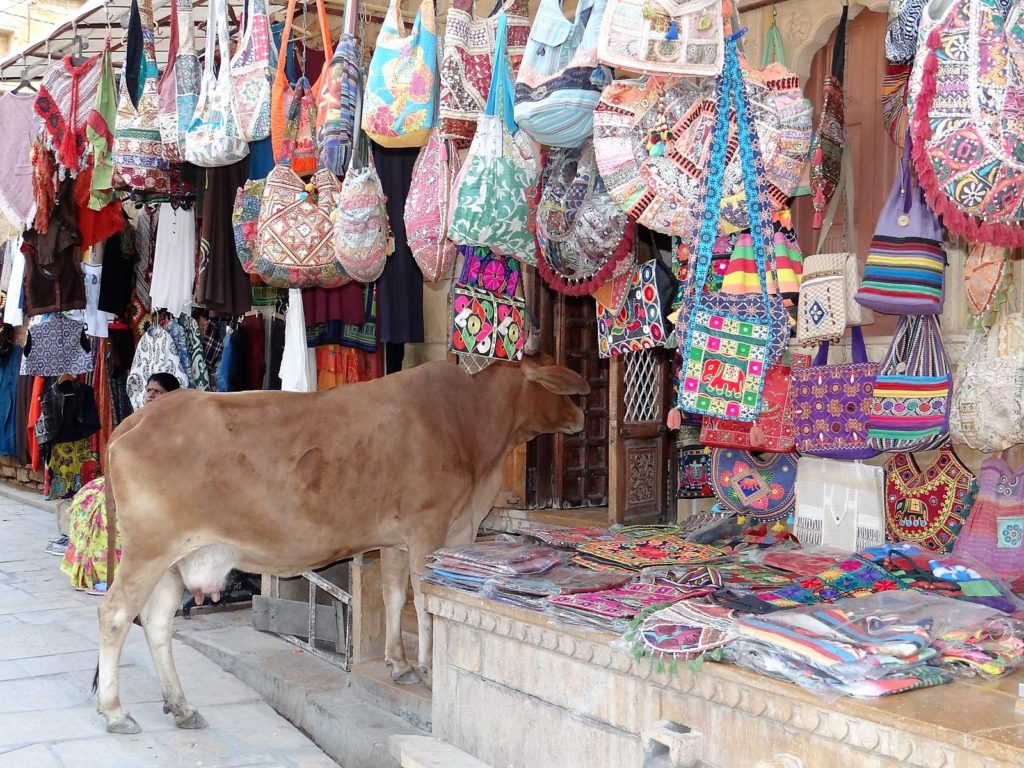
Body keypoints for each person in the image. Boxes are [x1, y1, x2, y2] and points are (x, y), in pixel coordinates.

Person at [59, 373, 181, 593]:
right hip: (135, 480)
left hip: (158, 487)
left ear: (170, 396)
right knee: (88, 497)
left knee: (108, 512)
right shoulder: (141, 418)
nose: (150, 395)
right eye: (148, 390)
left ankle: (115, 576)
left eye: (157, 392)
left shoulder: (174, 425)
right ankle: (93, 572)